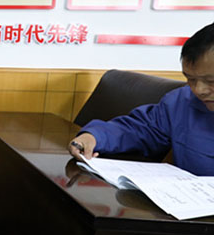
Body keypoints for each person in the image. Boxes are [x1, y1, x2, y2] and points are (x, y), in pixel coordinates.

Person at [68, 22, 214, 176]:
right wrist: (93, 137)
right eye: (191, 79)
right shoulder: (182, 101)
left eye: (211, 81)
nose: (199, 90)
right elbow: (141, 130)